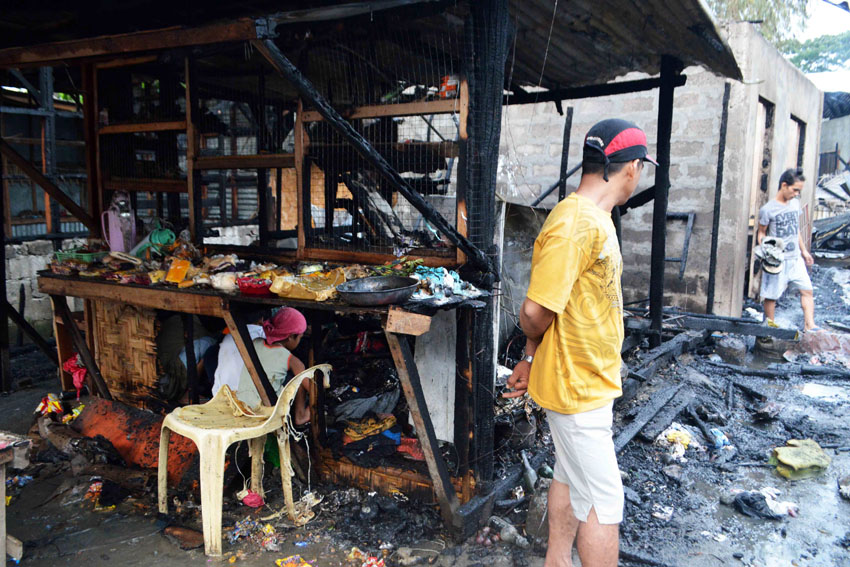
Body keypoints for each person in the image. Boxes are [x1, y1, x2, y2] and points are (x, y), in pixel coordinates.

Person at [504, 118, 655, 567]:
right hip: (578, 386)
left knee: (570, 478)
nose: (640, 175)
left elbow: (560, 307)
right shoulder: (574, 224)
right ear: (630, 168)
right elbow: (534, 312)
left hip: (586, 378)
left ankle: (556, 562)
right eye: (642, 168)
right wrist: (531, 347)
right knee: (605, 503)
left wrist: (529, 357)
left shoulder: (593, 218)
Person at [757, 167, 817, 331]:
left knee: (807, 291)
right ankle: (769, 329)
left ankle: (809, 325)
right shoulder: (768, 210)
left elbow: (795, 229)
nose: (797, 194)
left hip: (795, 258)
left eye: (799, 191)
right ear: (784, 185)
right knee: (771, 296)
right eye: (795, 190)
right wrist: (765, 251)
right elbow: (761, 233)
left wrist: (804, 252)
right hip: (778, 259)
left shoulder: (795, 204)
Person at [231, 307, 311, 425]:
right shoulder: (290, 359)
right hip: (267, 410)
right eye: (300, 338)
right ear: (290, 337)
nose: (300, 341)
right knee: (299, 381)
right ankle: (301, 416)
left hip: (241, 405)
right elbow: (312, 388)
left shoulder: (256, 342)